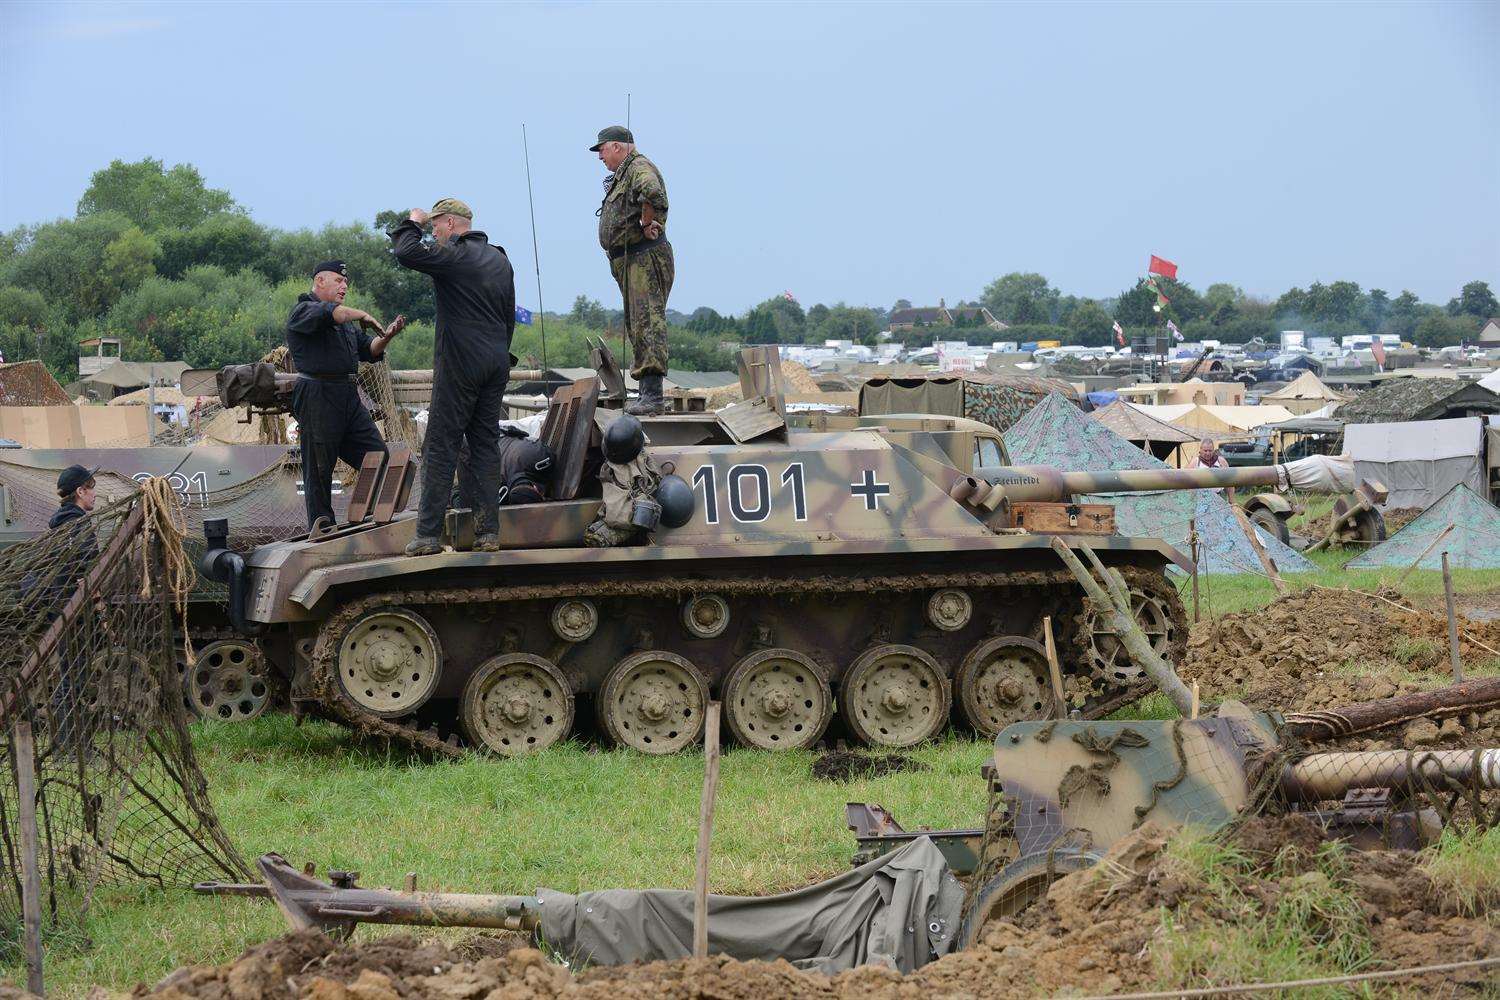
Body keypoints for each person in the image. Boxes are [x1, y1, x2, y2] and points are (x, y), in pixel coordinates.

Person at [389, 199, 515, 556]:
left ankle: (428, 535)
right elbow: (508, 316)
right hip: (495, 362)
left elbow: (406, 253)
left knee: (441, 444)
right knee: (485, 445)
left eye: (434, 227)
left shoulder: (455, 256)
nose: (433, 234)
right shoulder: (500, 259)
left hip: (461, 364)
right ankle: (488, 532)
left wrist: (411, 222)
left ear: (448, 223)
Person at [285, 260, 403, 531]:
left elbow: (370, 349)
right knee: (319, 469)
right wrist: (361, 314)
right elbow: (331, 314)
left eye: (345, 282)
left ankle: (370, 516)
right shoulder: (303, 311)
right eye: (338, 280)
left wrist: (388, 335)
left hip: (347, 394)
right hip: (317, 393)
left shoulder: (346, 323)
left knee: (377, 456)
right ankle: (322, 525)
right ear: (320, 281)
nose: (344, 286)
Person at [592, 126, 673, 415]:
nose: (600, 156)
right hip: (631, 261)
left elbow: (651, 191)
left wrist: (646, 222)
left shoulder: (638, 167)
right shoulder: (625, 172)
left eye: (602, 149)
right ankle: (647, 394)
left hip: (643, 258)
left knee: (647, 321)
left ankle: (652, 397)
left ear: (618, 146)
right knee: (638, 323)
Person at [47, 464, 101, 753]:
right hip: (73, 611)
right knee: (74, 679)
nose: (95, 495)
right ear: (80, 491)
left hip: (65, 609)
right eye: (92, 489)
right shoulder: (75, 523)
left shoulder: (63, 520)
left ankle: (65, 744)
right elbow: (84, 570)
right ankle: (72, 747)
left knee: (71, 677)